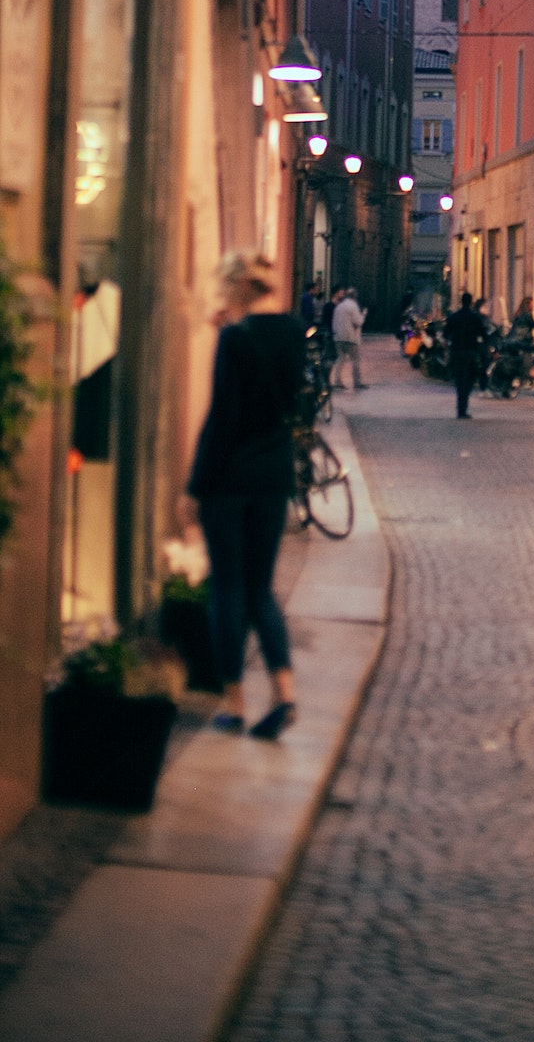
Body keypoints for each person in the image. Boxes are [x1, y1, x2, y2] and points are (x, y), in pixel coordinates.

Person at [182, 251, 301, 740]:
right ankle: (285, 691)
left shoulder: (235, 338)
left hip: (230, 480)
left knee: (227, 590)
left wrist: (196, 485)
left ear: (236, 290)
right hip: (274, 475)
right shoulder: (293, 331)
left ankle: (234, 703)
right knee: (261, 589)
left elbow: (223, 418)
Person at [443, 290, 487, 419]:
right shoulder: (475, 317)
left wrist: (448, 350)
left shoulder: (454, 316)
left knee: (459, 381)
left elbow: (445, 334)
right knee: (469, 380)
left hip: (457, 352)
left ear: (461, 302)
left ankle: (460, 409)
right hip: (470, 352)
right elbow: (483, 334)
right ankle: (463, 407)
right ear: (471, 302)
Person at [332, 287, 368, 390]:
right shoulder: (353, 306)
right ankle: (357, 382)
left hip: (338, 337)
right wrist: (363, 314)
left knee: (340, 359)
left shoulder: (339, 306)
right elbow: (358, 322)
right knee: (355, 361)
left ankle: (337, 381)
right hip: (351, 337)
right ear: (355, 296)